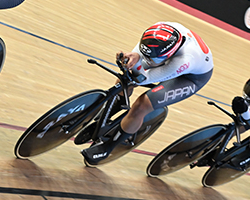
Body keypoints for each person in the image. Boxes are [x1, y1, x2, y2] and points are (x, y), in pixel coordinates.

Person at [81, 22, 214, 165]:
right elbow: (138, 56)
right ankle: (107, 115)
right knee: (124, 80)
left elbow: (144, 78)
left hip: (191, 77)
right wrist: (131, 58)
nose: (150, 61)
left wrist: (137, 68)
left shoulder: (186, 60)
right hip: (168, 56)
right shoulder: (157, 31)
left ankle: (108, 147)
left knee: (142, 105)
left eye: (154, 59)